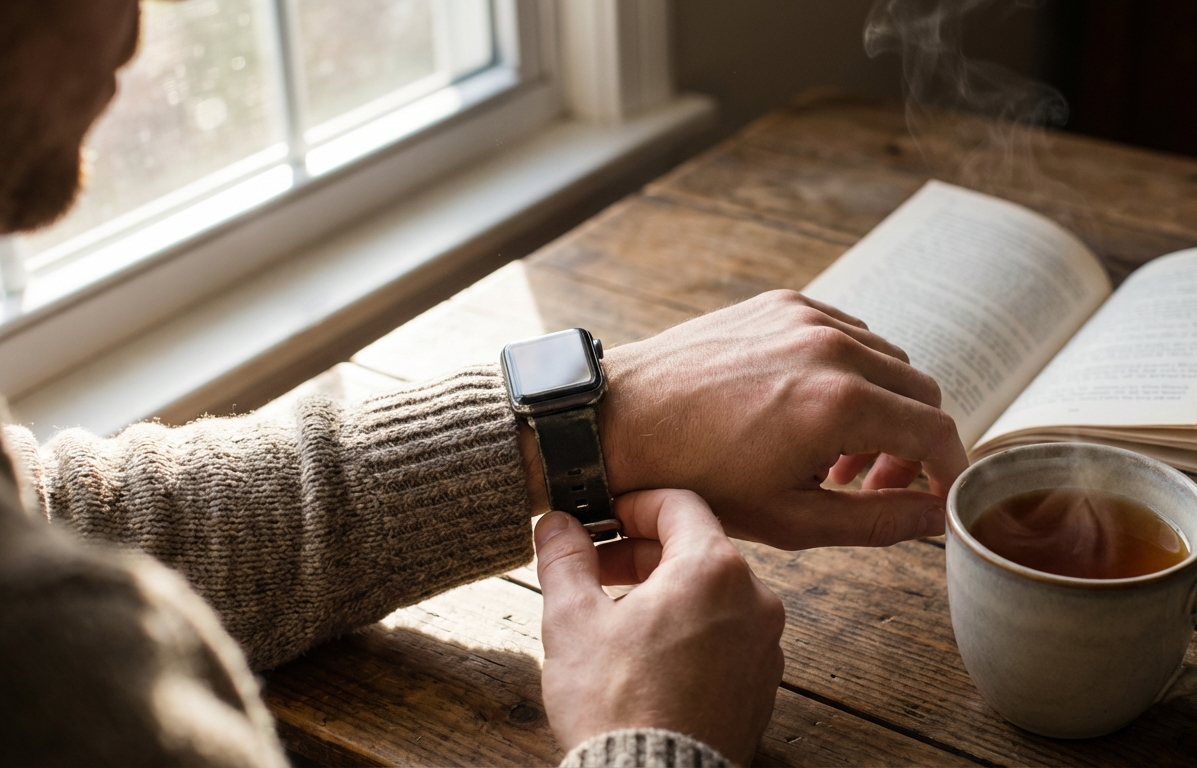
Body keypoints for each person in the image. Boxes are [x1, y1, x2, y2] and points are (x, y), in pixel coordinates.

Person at [0, 2, 967, 766]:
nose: (135, 24)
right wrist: (658, 742)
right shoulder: (55, 671)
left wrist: (587, 418)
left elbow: (56, 514)